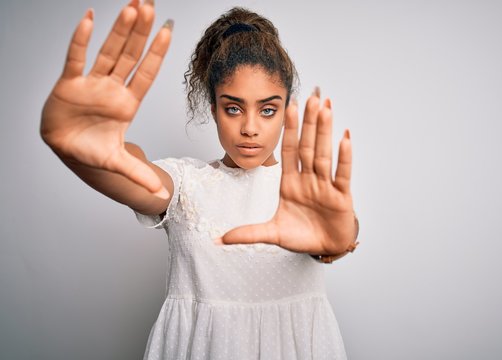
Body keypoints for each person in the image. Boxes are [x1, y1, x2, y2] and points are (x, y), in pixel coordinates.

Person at [40, 0, 360, 358]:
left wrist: (340, 239)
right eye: (233, 108)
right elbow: (131, 172)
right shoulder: (188, 184)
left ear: (286, 110)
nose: (250, 128)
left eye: (268, 110)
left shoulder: (303, 192)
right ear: (214, 110)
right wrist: (83, 151)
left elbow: (338, 231)